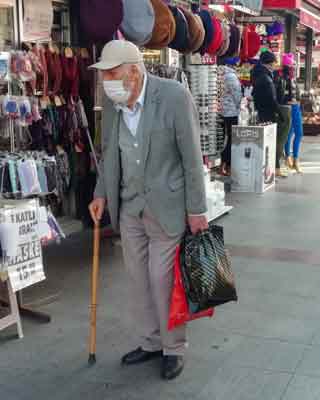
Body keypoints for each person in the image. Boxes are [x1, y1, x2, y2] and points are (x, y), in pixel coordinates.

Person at [88, 40, 208, 381]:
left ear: (134, 72)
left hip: (168, 206)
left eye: (112, 73)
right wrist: (101, 194)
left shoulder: (173, 97)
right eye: (104, 75)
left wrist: (197, 209)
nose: (106, 81)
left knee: (162, 278)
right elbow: (110, 152)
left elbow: (191, 158)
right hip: (130, 207)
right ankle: (151, 342)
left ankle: (173, 348)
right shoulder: (113, 104)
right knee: (138, 279)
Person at [251, 50, 290, 178]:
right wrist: (280, 113)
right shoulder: (266, 78)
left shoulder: (258, 75)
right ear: (269, 63)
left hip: (261, 113)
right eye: (273, 63)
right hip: (268, 114)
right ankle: (272, 169)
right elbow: (271, 99)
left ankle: (271, 168)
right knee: (271, 143)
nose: (274, 66)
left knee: (267, 143)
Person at [277, 61, 304, 174]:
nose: (293, 69)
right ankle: (289, 158)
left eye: (294, 66)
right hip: (287, 108)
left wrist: (297, 100)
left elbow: (297, 95)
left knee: (298, 133)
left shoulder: (293, 80)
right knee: (288, 133)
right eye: (291, 67)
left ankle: (295, 159)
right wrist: (288, 101)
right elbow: (279, 96)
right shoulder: (281, 80)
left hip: (295, 108)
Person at [220, 57, 243, 176]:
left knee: (225, 138)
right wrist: (240, 105)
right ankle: (226, 164)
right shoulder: (231, 76)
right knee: (231, 139)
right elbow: (237, 94)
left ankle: (224, 164)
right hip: (231, 112)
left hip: (223, 111)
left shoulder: (221, 74)